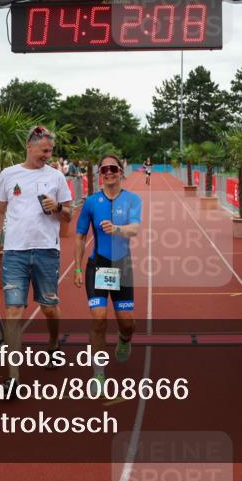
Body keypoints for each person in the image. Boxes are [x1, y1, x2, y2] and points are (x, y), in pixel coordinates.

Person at [0, 125, 73, 394]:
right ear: (29, 146)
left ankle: (53, 342)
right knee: (13, 310)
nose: (48, 155)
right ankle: (13, 377)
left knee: (49, 307)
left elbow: (69, 215)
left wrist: (58, 207)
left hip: (47, 250)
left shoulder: (57, 177)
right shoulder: (8, 174)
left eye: (50, 151)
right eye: (44, 150)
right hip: (15, 252)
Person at [74, 153, 142, 394]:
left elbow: (135, 228)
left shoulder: (133, 200)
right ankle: (98, 374)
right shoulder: (91, 202)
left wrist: (117, 229)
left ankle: (124, 340)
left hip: (122, 266)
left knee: (127, 323)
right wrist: (78, 267)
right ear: (99, 174)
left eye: (113, 168)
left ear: (120, 171)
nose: (109, 172)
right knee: (99, 318)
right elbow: (80, 236)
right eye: (105, 170)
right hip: (98, 266)